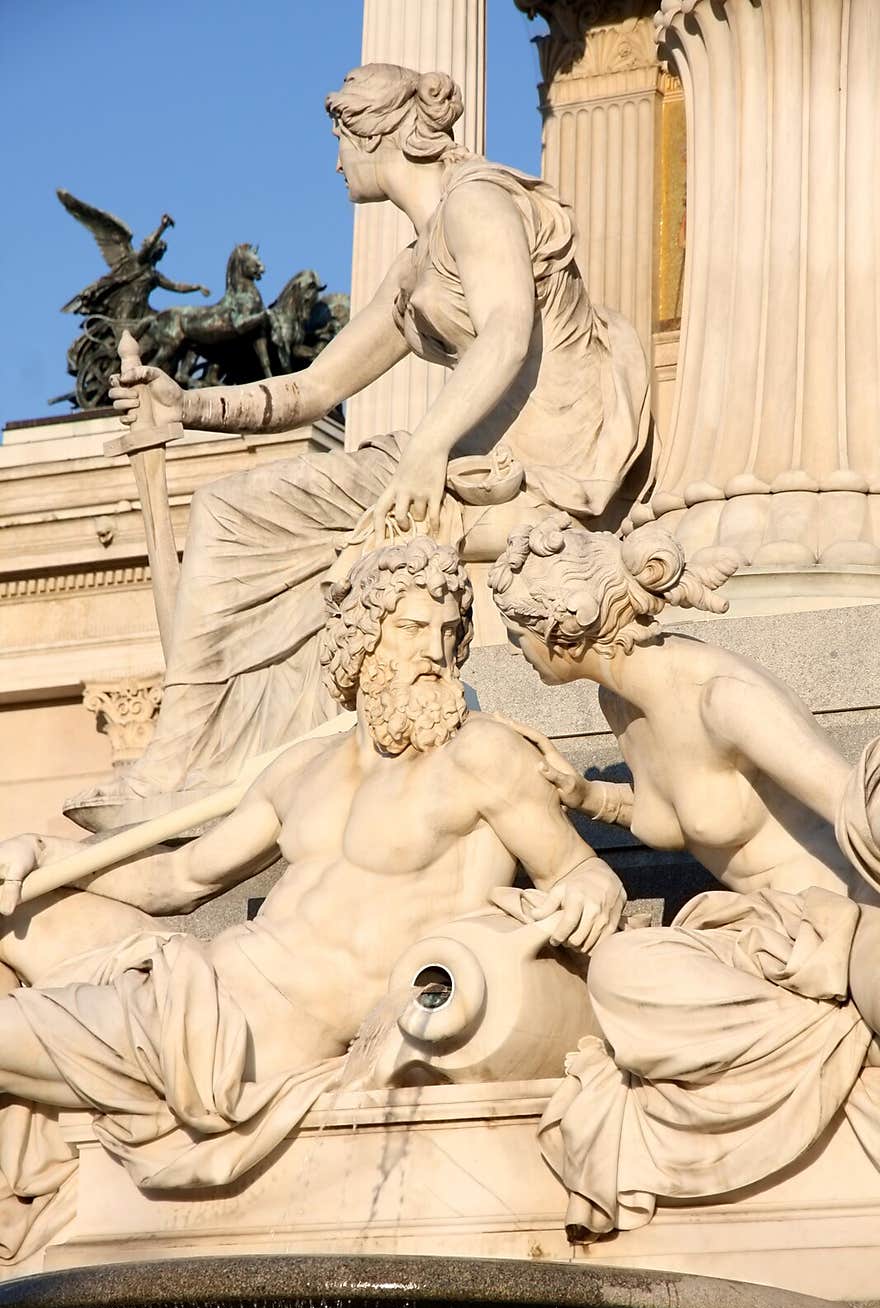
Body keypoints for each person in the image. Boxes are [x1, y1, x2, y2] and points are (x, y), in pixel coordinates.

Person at [0, 537, 624, 1263]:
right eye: (412, 627)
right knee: (11, 908)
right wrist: (42, 855)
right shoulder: (301, 768)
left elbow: (581, 872)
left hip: (247, 1041)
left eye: (451, 631)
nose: (436, 650)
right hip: (190, 978)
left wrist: (583, 892)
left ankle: (34, 1209)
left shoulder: (480, 755)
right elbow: (177, 881)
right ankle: (32, 1189)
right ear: (363, 634)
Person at [76, 61, 651, 823]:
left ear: (373, 133)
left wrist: (426, 451)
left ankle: (186, 755)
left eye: (340, 140)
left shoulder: (479, 203)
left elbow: (508, 334)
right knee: (226, 509)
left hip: (540, 457)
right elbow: (315, 389)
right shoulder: (417, 263)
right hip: (459, 448)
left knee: (273, 535)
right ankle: (203, 751)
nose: (335, 161)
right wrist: (185, 404)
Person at [488, 512, 880, 1239]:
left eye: (518, 634)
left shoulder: (720, 697)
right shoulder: (620, 701)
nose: (517, 652)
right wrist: (586, 797)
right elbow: (668, 811)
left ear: (561, 630)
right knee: (625, 965)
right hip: (758, 934)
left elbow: (850, 804)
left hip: (842, 919)